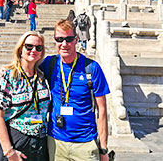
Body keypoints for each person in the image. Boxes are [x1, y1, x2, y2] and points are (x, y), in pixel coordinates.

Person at [40, 20, 110, 161]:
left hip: (85, 144)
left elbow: (101, 110)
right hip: (56, 142)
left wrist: (103, 149)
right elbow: (26, 66)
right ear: (55, 41)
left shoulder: (92, 68)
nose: (64, 44)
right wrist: (8, 69)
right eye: (59, 39)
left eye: (69, 39)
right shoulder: (49, 64)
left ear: (76, 40)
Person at [0, 31, 50, 161]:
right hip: (16, 138)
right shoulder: (9, 77)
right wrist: (9, 151)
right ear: (20, 49)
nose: (33, 50)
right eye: (29, 46)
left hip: (40, 141)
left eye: (38, 48)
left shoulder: (42, 76)